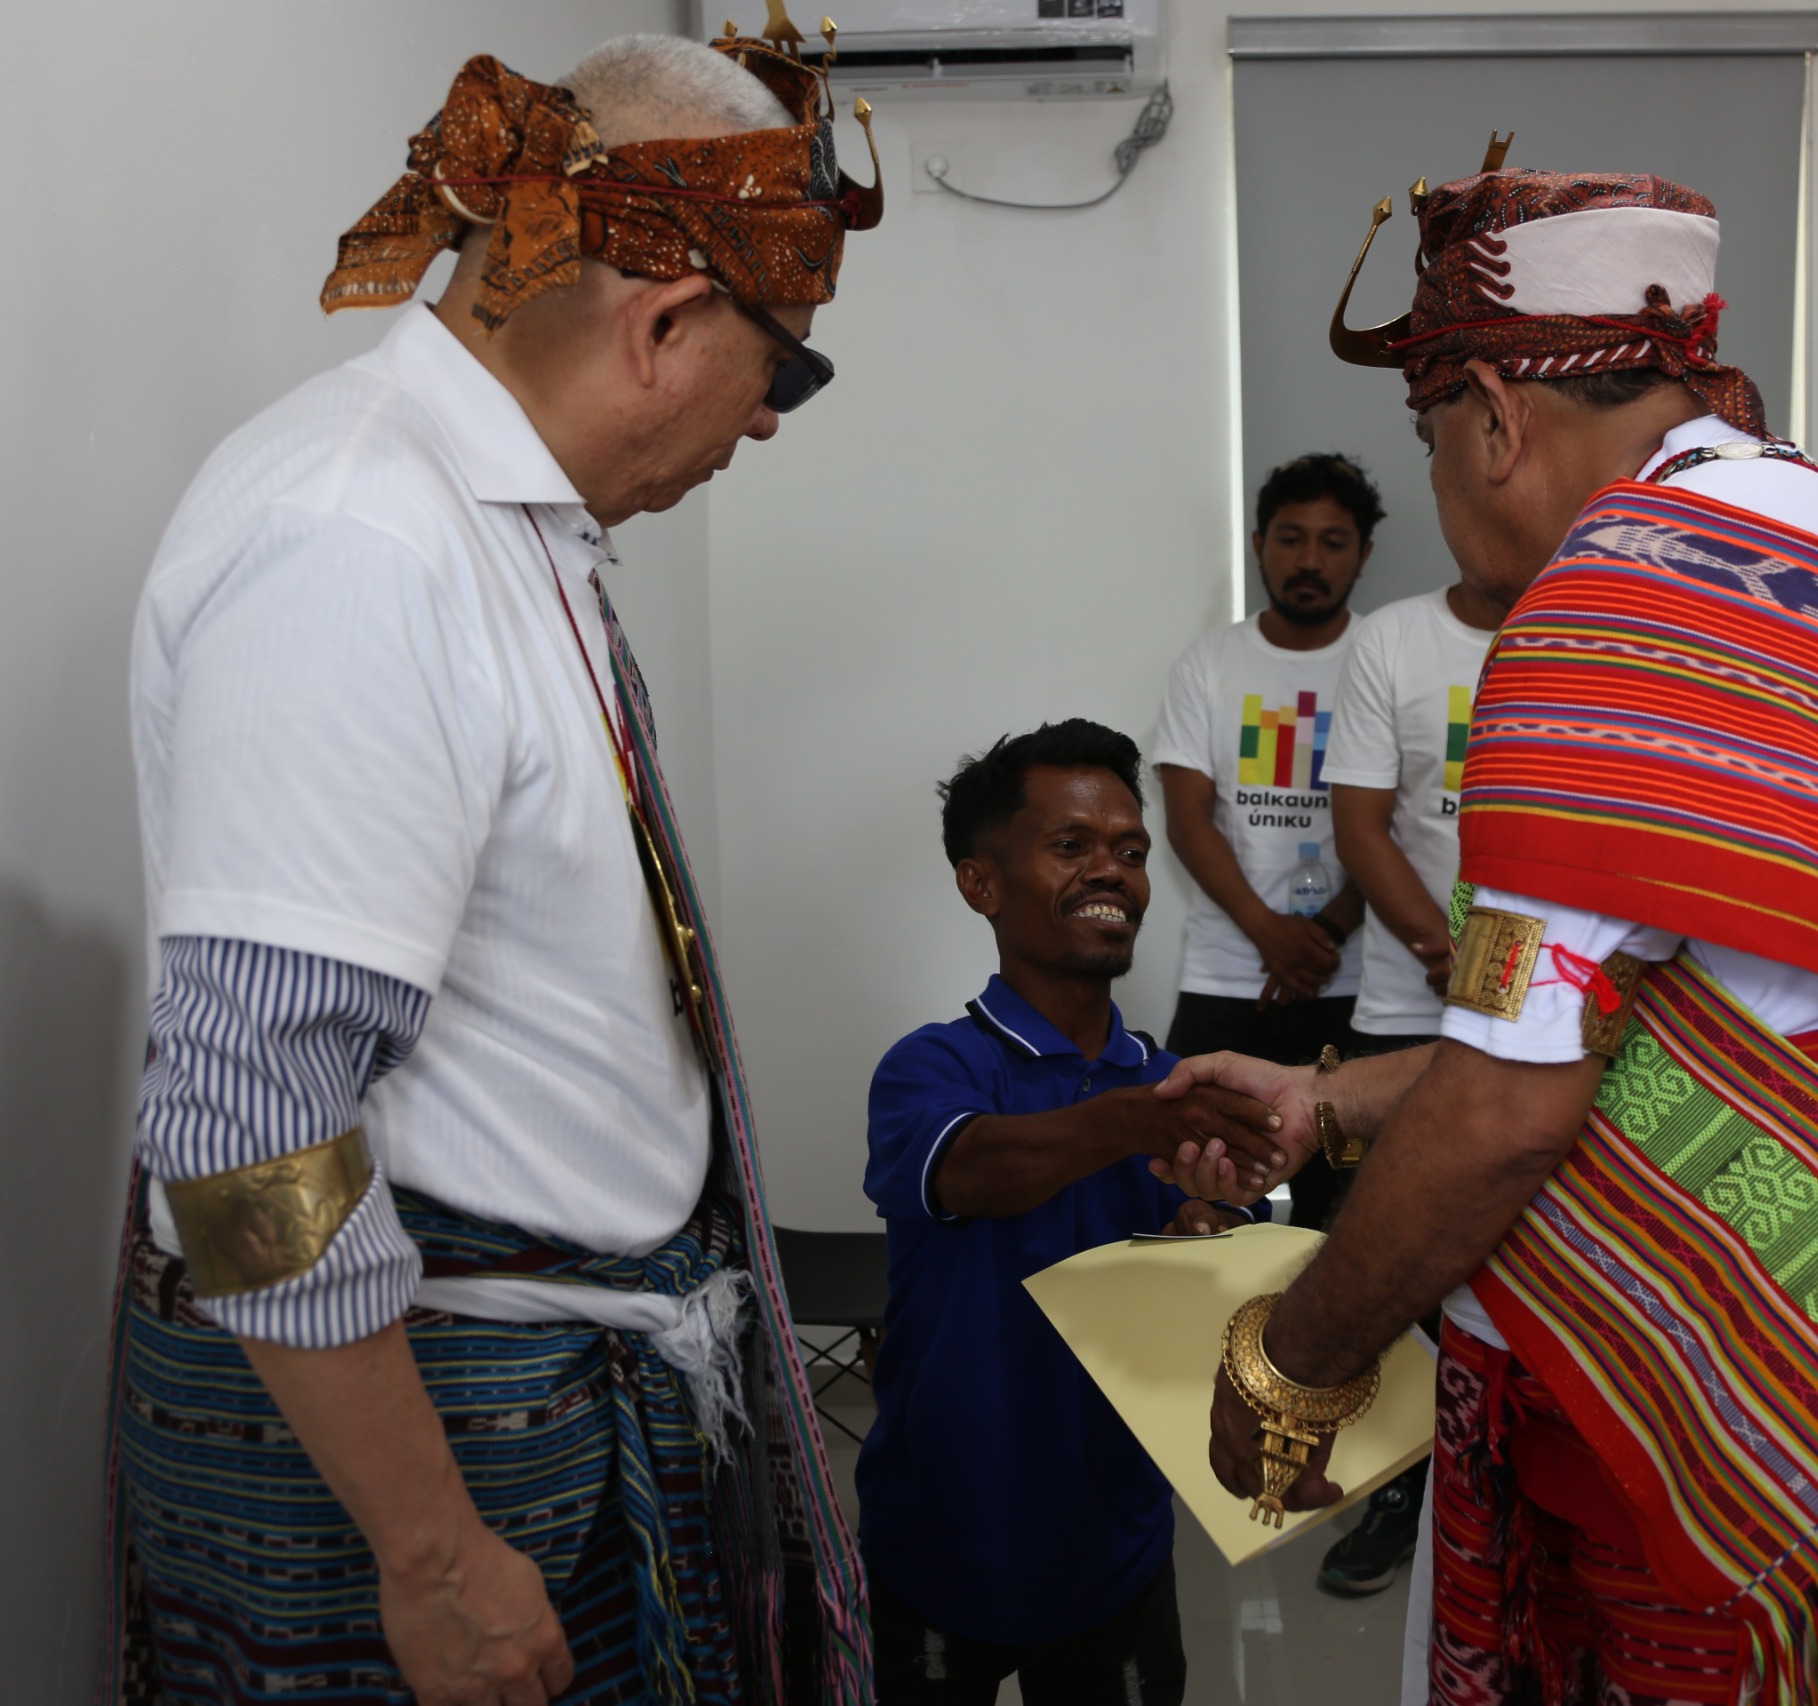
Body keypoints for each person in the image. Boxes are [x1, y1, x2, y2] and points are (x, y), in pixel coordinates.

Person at [1182, 168, 1818, 1703]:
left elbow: (1512, 1101)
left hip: (1738, 1461)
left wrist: (1294, 1361)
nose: (1442, 486)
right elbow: (1644, 1004)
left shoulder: (1615, 600)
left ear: (1496, 413)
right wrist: (1331, 1098)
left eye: (1430, 438)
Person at [107, 31, 882, 1705]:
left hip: (525, 1393)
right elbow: (248, 1117)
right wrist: (436, 1556)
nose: (768, 422)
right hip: (434, 1446)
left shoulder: (492, 524)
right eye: (786, 368)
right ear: (668, 322)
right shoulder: (360, 538)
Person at [859, 720, 1280, 1705]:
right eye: (1070, 844)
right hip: (938, 1542)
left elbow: (1231, 1275)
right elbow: (976, 1170)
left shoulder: (1176, 1084)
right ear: (981, 884)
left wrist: (1209, 1240)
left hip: (1114, 1549)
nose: (1111, 871)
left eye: (1130, 850)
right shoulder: (932, 1064)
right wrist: (1136, 1120)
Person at [1302, 461, 1531, 1598]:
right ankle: (1400, 1482)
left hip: (1547, 1022)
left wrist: (1503, 977)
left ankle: (1503, 1474)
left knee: (1520, 1254)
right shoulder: (1392, 639)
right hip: (1406, 1001)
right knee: (1397, 1247)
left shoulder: (1587, 629)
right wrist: (1447, 950)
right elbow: (1361, 825)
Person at [1150, 452, 1377, 1228]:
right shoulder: (1209, 664)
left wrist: (1324, 935)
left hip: (1352, 988)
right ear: (1257, 545)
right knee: (1192, 1191)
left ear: (1363, 554)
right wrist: (1268, 932)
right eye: (1290, 538)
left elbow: (1403, 825)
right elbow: (1187, 818)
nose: (1309, 560)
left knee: (1343, 1213)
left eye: (1333, 541)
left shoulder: (1384, 660)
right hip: (1226, 978)